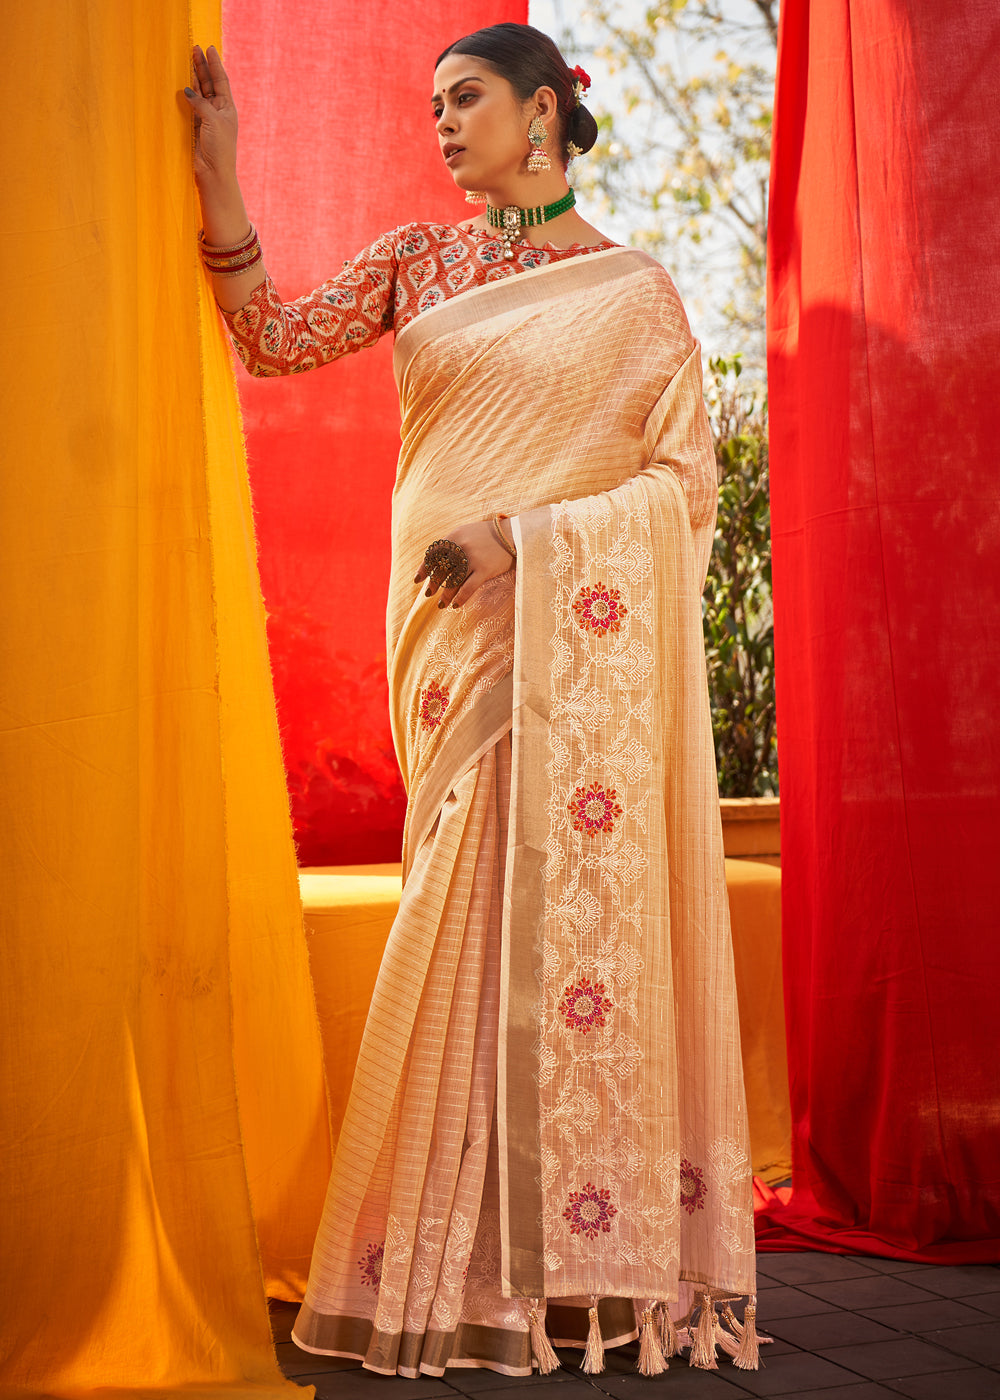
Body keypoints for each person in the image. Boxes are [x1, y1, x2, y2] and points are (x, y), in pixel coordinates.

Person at [184, 22, 764, 1380]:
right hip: (444, 646)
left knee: (512, 917)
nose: (442, 125)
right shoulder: (415, 258)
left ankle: (535, 1271)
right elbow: (273, 339)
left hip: (547, 620)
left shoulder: (634, 291)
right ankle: (458, 1254)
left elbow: (685, 492)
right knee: (465, 893)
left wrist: (522, 539)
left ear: (546, 109)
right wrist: (223, 180)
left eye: (468, 100)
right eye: (433, 105)